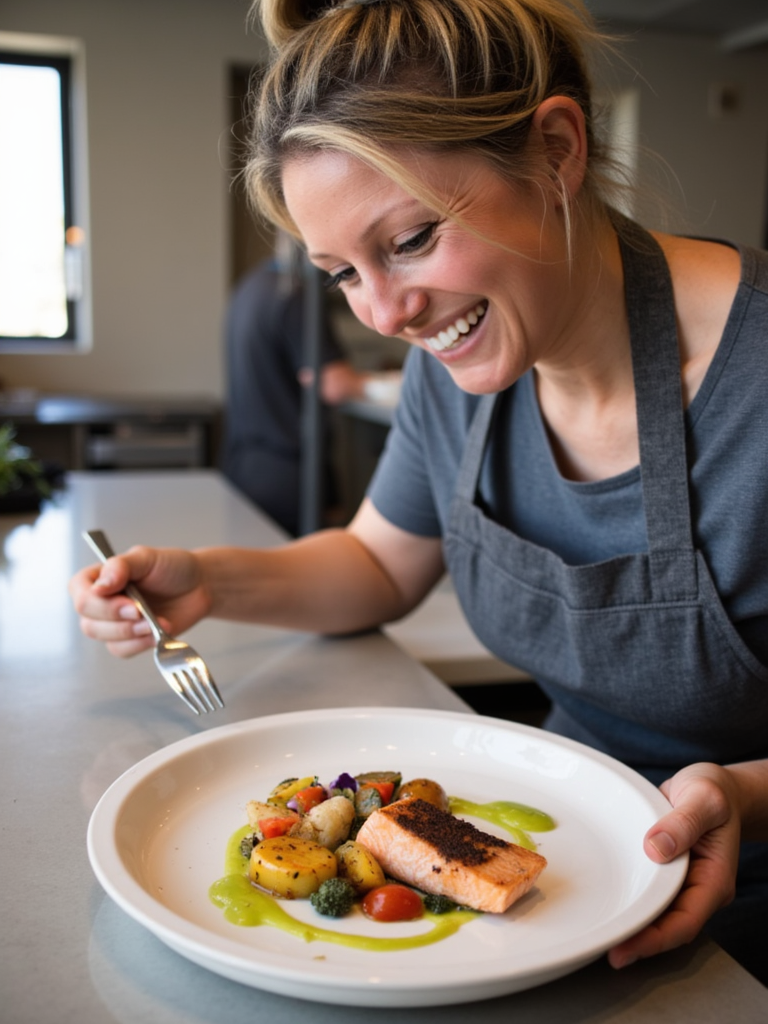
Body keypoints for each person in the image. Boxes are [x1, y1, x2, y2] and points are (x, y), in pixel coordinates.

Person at [69, 0, 768, 983]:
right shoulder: (462, 365)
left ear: (558, 150)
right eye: (340, 273)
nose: (386, 313)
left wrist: (746, 794)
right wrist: (207, 580)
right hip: (564, 884)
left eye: (411, 240)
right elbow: (376, 563)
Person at [221, 231, 366, 535]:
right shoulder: (295, 294)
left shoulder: (251, 286)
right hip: (289, 473)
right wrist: (384, 383)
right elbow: (333, 384)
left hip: (243, 465)